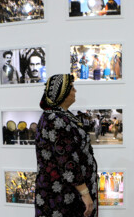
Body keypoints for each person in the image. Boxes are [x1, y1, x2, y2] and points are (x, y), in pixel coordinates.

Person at [35, 74, 98, 217]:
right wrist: (84, 192)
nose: (75, 91)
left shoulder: (62, 115)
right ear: (62, 93)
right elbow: (66, 160)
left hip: (69, 192)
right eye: (72, 88)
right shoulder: (54, 119)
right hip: (63, 196)